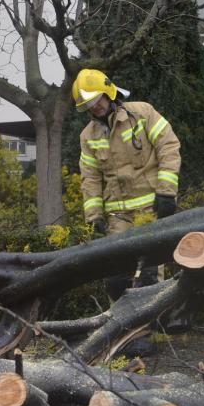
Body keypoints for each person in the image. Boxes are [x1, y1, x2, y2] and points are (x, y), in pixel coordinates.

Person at [73, 68, 181, 300]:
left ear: (108, 92)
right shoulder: (88, 136)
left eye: (96, 100)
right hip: (117, 215)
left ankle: (151, 329)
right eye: (88, 105)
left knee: (149, 276)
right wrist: (93, 218)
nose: (94, 107)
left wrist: (166, 193)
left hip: (150, 209)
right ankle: (123, 332)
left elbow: (169, 147)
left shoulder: (142, 113)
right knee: (115, 279)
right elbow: (90, 178)